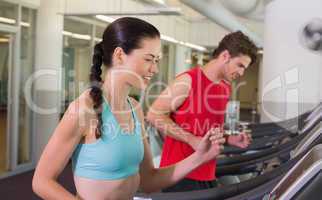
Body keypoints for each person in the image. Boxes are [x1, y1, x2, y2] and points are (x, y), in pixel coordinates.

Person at [32, 17, 226, 200]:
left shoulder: (134, 108)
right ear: (119, 55)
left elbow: (149, 180)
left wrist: (200, 156)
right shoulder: (84, 109)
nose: (155, 69)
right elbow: (42, 181)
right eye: (148, 59)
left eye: (156, 60)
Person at [147, 31, 257, 192]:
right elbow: (153, 115)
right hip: (179, 174)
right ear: (225, 56)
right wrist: (191, 140)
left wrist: (229, 139)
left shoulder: (224, 87)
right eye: (240, 65)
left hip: (207, 172)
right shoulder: (187, 81)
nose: (241, 73)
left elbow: (207, 132)